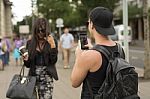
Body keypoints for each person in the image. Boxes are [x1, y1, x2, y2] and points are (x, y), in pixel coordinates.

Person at [71, 7, 125, 99]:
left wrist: (79, 56)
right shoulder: (119, 48)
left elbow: (74, 82)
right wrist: (94, 48)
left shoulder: (88, 56)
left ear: (91, 24)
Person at [23, 18, 58, 99]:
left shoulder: (52, 41)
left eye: (43, 30)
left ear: (46, 30)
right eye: (38, 31)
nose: (40, 33)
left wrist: (52, 45)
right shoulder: (30, 43)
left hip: (47, 77)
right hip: (32, 77)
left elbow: (53, 61)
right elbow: (28, 65)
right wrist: (25, 59)